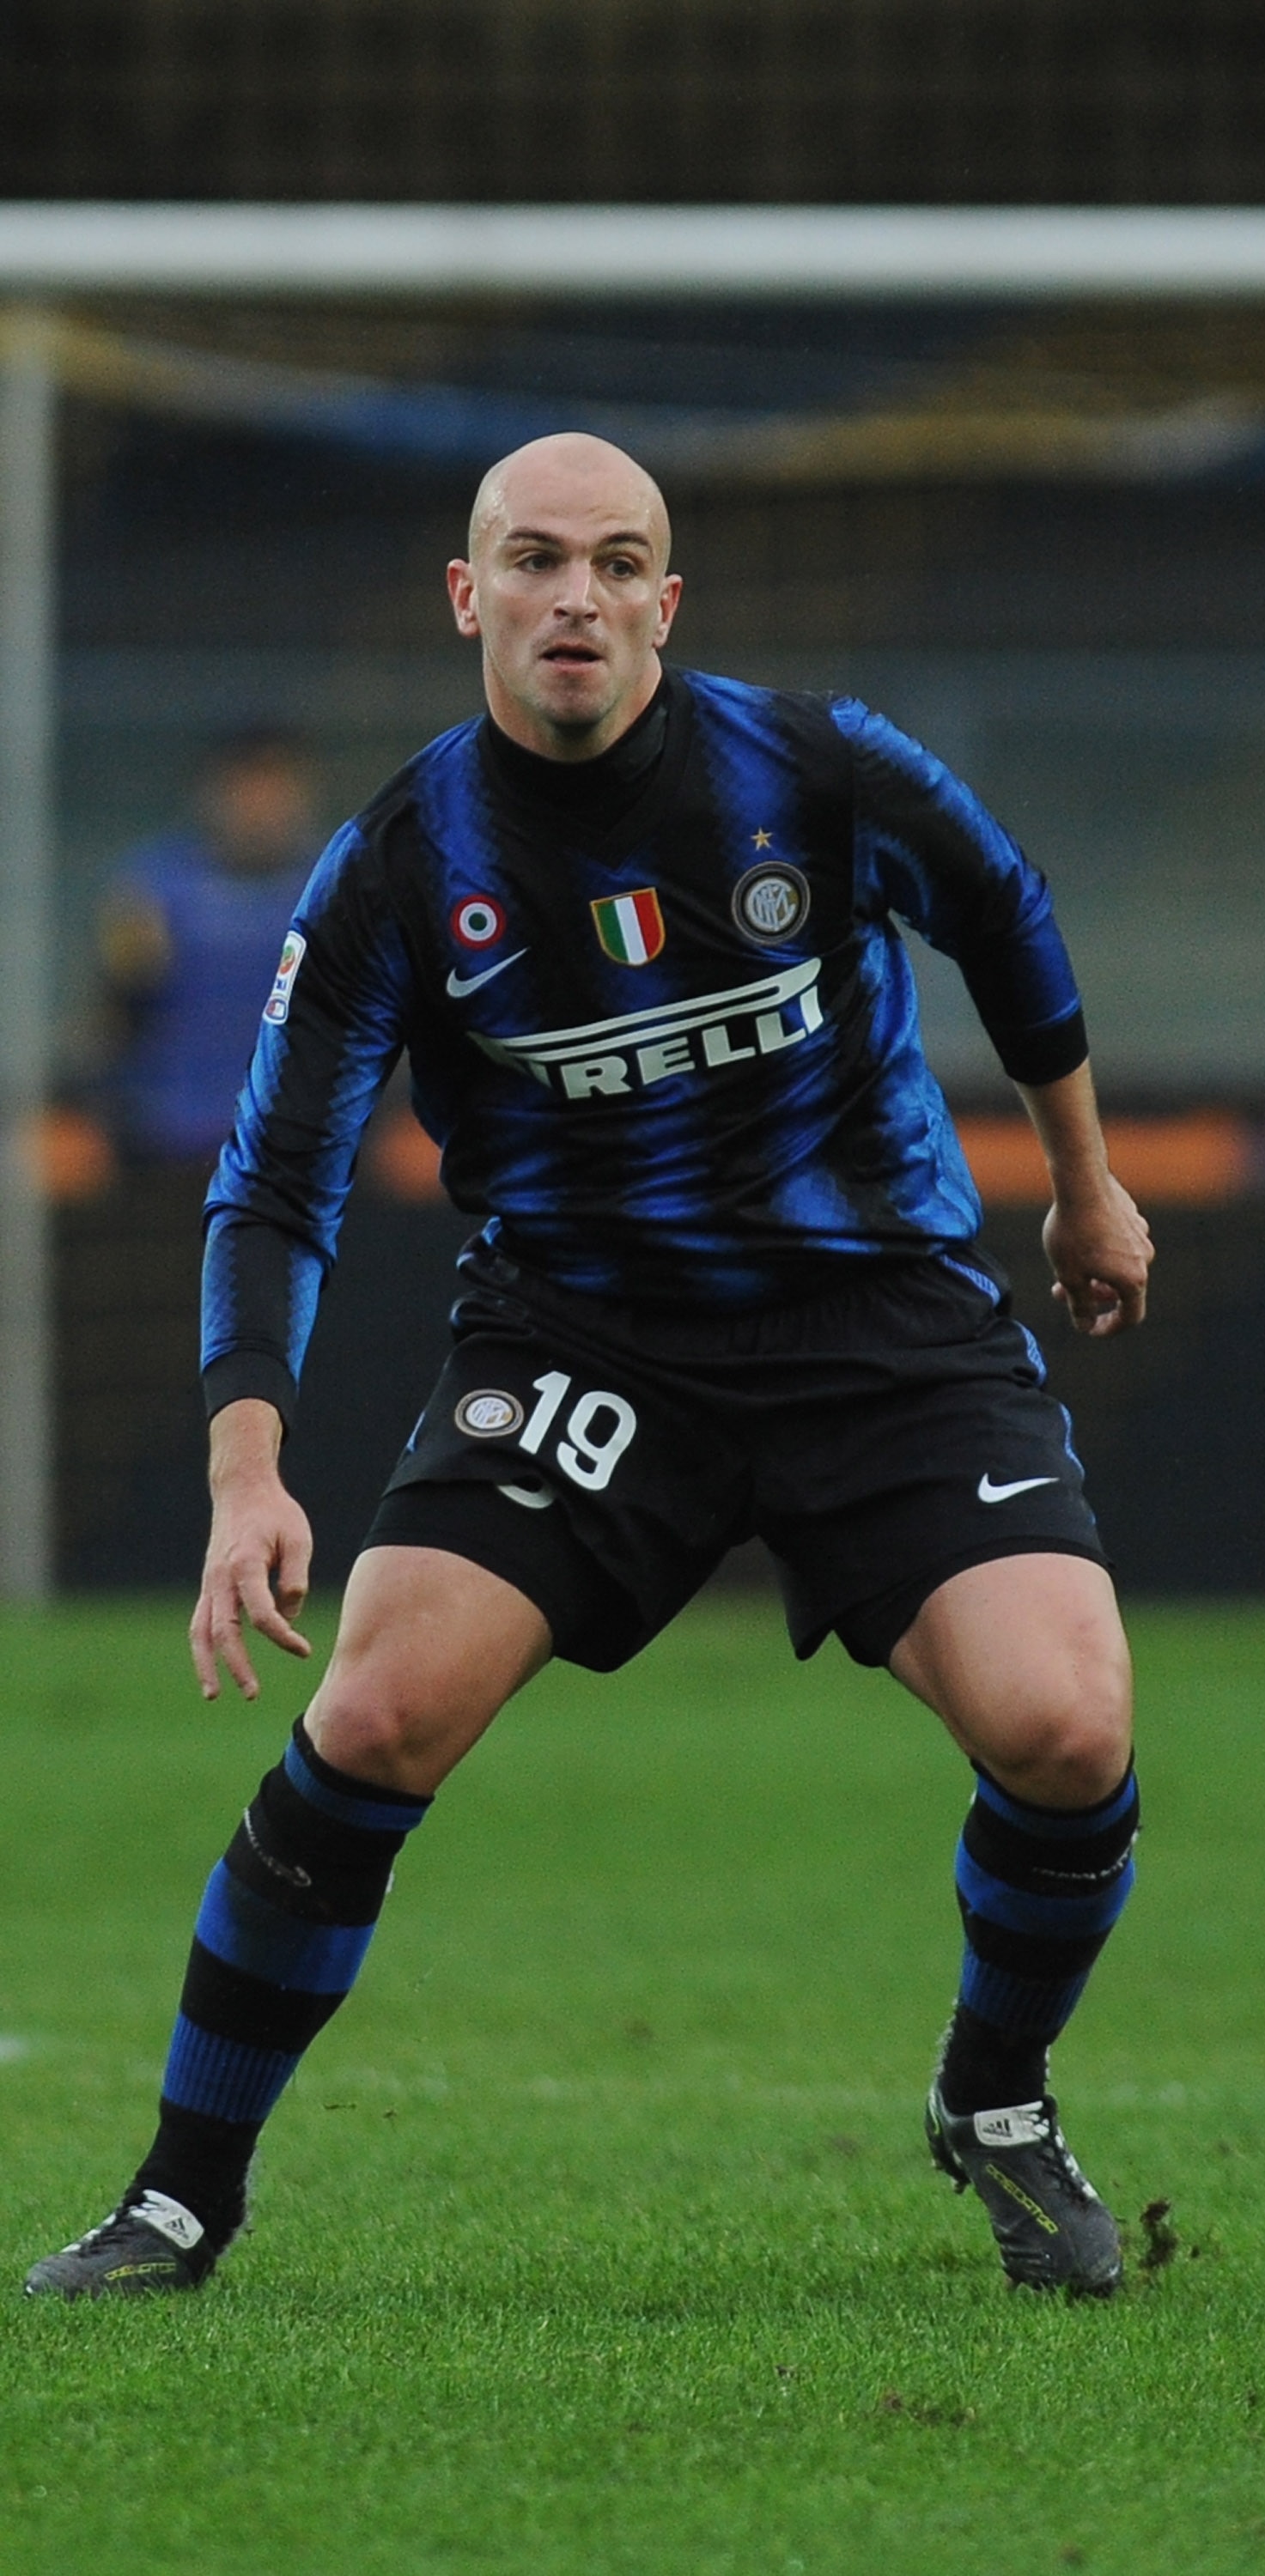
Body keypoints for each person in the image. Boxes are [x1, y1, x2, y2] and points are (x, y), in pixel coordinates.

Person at [27, 434, 1156, 2304]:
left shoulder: (817, 767)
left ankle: (997, 2099)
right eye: (536, 562)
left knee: (1069, 1728)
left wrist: (1089, 1187)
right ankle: (177, 2199)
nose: (577, 597)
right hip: (586, 1338)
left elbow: (1005, 913)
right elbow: (278, 1172)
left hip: (880, 1322)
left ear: (663, 601)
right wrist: (249, 1466)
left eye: (617, 564)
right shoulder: (402, 859)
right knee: (374, 1716)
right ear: (470, 596)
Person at [97, 728, 322, 1163]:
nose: (260, 808)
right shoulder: (152, 888)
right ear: (213, 795)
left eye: (274, 789)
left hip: (307, 1138)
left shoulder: (339, 882)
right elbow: (113, 1022)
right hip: (168, 1133)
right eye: (246, 790)